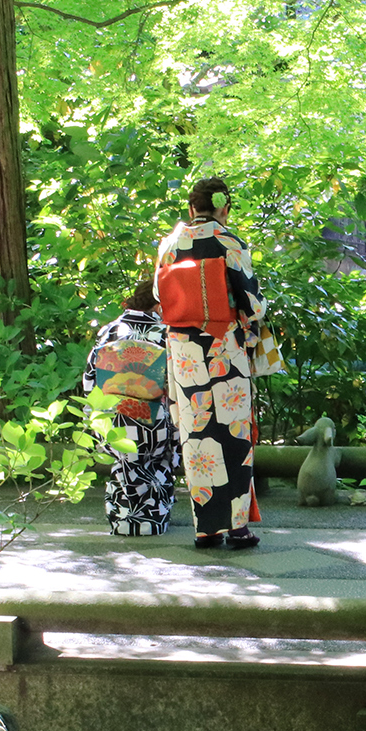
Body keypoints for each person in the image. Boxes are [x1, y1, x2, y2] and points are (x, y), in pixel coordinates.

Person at [156, 176, 265, 550]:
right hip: (223, 347)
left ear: (191, 208)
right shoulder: (227, 241)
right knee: (233, 433)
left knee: (197, 435)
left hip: (184, 353)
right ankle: (236, 527)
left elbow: (159, 296)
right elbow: (252, 302)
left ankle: (206, 527)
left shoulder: (169, 244)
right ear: (224, 207)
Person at [83, 275, 180, 536]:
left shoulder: (108, 331)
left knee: (124, 464)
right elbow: (176, 384)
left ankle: (122, 516)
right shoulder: (167, 333)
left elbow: (90, 379)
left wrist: (94, 417)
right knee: (158, 461)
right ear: (160, 305)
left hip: (113, 420)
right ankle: (153, 518)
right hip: (156, 422)